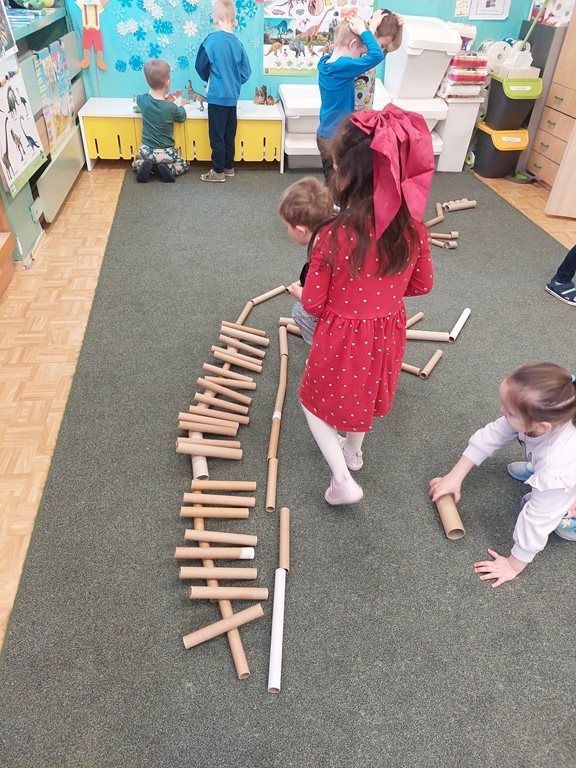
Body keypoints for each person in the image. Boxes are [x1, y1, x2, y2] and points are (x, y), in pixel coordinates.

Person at [299, 105, 435, 505]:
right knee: (366, 393)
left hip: (341, 334)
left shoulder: (332, 235)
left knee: (312, 402)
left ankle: (342, 479)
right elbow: (423, 284)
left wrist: (342, 302)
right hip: (387, 331)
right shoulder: (414, 229)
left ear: (348, 176)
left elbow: (313, 302)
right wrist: (382, 297)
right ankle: (353, 454)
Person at [429, 363, 576, 588]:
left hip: (564, 473)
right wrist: (455, 476)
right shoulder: (540, 416)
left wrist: (514, 565)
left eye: (509, 412)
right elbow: (492, 435)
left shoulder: (557, 463)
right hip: (554, 464)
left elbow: (537, 520)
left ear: (542, 427)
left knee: (554, 516)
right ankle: (540, 476)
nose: (501, 412)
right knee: (545, 476)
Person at [316, 12, 385, 184]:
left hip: (324, 134)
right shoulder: (343, 66)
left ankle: (329, 199)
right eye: (360, 53)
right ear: (353, 45)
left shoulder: (325, 63)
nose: (360, 58)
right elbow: (377, 55)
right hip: (337, 137)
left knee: (331, 178)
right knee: (340, 181)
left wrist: (367, 29)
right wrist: (363, 31)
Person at [195, 0, 251, 183]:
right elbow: (246, 72)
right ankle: (228, 167)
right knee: (229, 133)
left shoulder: (211, 40)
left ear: (215, 19)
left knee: (216, 135)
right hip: (232, 98)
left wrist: (209, 79)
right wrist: (233, 82)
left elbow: (200, 65)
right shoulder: (238, 43)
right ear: (234, 20)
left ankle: (218, 171)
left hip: (216, 97)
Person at [278, 177, 334, 344]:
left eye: (287, 227)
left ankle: (324, 347)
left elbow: (313, 304)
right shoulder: (336, 231)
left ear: (301, 231)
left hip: (341, 317)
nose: (287, 230)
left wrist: (298, 292)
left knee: (299, 311)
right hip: (360, 306)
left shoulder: (320, 258)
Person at [133, 59, 188, 183]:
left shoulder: (143, 100)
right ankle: (168, 169)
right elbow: (181, 117)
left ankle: (147, 168)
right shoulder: (171, 107)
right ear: (168, 83)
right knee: (183, 164)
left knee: (136, 163)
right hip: (166, 152)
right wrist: (179, 104)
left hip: (146, 151)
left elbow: (139, 98)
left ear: (148, 82)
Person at [354, 10, 403, 111]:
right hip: (350, 108)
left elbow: (394, 46)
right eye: (382, 45)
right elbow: (365, 46)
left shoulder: (380, 52)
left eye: (384, 47)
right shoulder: (358, 48)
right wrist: (373, 26)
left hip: (366, 108)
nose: (381, 51)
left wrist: (400, 27)